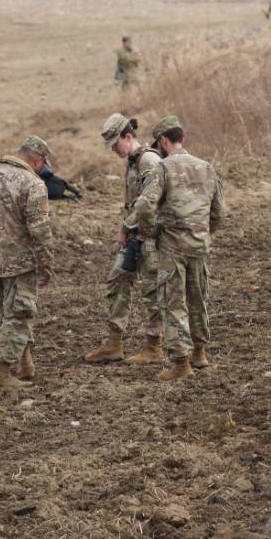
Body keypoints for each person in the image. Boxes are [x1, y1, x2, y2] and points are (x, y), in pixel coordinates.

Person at [125, 115, 224, 382]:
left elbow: (145, 206)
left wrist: (149, 232)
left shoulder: (164, 168)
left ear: (163, 141)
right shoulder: (206, 167)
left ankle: (180, 363)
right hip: (199, 245)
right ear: (183, 139)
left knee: (173, 303)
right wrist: (204, 232)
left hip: (172, 247)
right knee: (197, 298)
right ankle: (200, 353)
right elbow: (219, 212)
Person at [0, 136, 55, 390]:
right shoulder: (33, 183)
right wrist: (46, 264)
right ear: (37, 160)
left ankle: (26, 364)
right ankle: (2, 372)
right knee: (21, 314)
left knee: (11, 315)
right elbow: (40, 230)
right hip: (21, 263)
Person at [85, 113, 163, 365]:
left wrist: (125, 226)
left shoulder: (149, 160)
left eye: (115, 144)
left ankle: (154, 346)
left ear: (128, 137)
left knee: (153, 292)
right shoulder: (132, 161)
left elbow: (150, 202)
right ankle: (114, 343)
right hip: (135, 237)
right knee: (117, 282)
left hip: (150, 238)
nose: (113, 151)